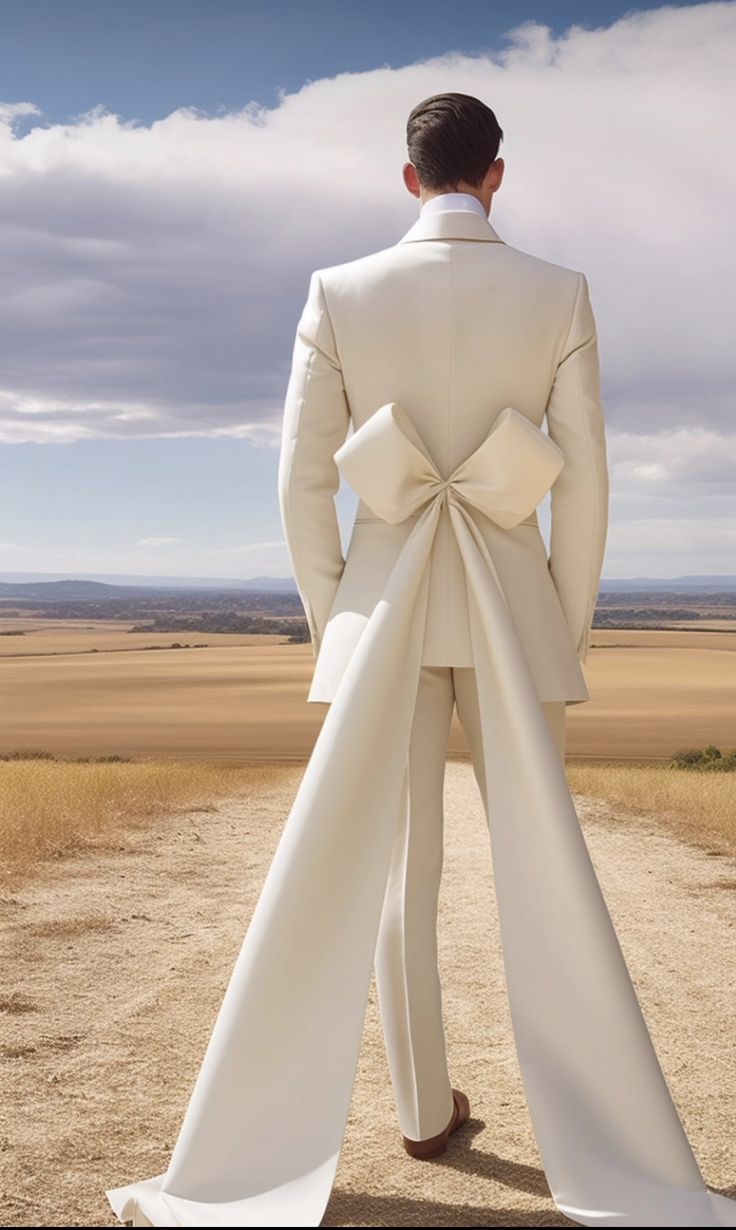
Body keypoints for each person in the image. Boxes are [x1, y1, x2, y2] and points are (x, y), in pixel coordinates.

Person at [106, 93, 735, 1228]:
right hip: (514, 609)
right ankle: (595, 1135)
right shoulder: (560, 292)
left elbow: (302, 482)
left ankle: (419, 1108)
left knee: (402, 877)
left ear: (408, 179)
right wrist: (564, 623)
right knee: (546, 871)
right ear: (498, 175)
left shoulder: (336, 294)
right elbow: (586, 481)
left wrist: (336, 618)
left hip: (382, 612)